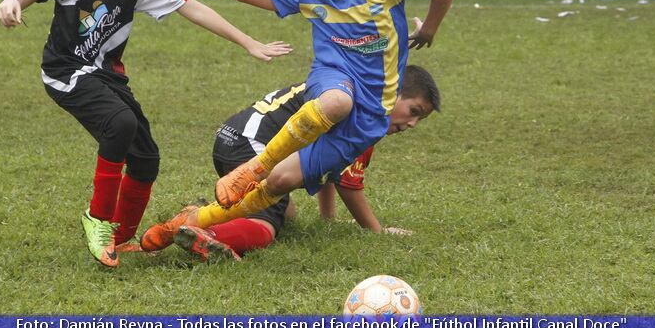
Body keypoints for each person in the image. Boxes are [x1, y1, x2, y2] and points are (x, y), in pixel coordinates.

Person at [0, 0, 291, 268]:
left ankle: (119, 238)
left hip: (108, 75)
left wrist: (247, 41)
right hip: (65, 71)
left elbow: (191, 7)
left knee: (147, 158)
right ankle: (98, 219)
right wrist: (11, 0)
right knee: (119, 124)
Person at [142, 0, 455, 238]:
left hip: (372, 115)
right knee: (336, 103)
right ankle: (252, 168)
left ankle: (187, 224)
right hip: (332, 77)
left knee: (280, 181)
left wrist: (429, 31)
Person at [142, 65, 441, 260]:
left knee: (289, 214)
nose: (412, 123)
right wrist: (376, 230)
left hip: (234, 136)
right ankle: (202, 234)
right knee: (267, 225)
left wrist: (328, 218)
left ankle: (208, 214)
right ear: (393, 92)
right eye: (413, 110)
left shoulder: (350, 88)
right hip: (253, 146)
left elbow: (329, 167)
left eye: (420, 118)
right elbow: (349, 184)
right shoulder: (364, 119)